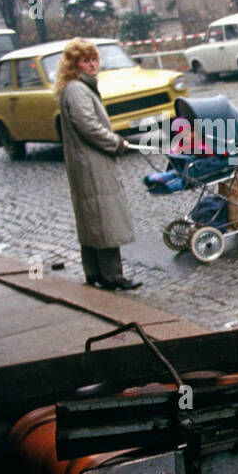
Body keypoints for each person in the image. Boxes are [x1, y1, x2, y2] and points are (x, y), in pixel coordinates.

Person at [54, 39, 141, 290]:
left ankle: (93, 271)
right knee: (105, 219)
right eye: (85, 61)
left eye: (93, 60)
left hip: (86, 164)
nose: (92, 65)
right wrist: (116, 142)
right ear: (74, 64)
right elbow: (89, 126)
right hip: (93, 165)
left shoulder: (76, 88)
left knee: (91, 219)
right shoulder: (78, 90)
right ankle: (112, 275)